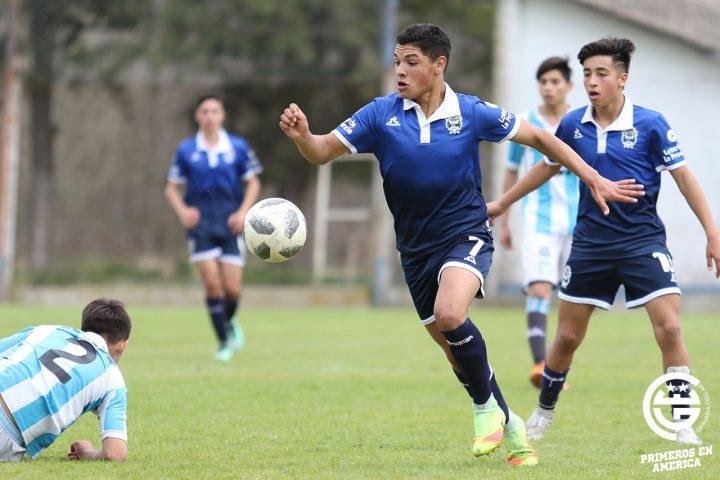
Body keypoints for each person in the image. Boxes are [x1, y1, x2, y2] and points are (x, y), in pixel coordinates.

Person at [279, 24, 643, 467]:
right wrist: (302, 136)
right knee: (455, 352)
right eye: (397, 61)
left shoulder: (472, 112)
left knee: (453, 314)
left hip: (466, 233)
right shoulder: (379, 115)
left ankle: (481, 408)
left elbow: (545, 139)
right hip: (414, 250)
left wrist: (594, 178)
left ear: (439, 65)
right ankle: (510, 427)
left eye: (412, 62)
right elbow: (321, 151)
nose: (400, 70)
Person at [487, 38, 720, 445]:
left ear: (622, 79)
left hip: (642, 243)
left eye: (601, 74)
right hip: (591, 245)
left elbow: (685, 180)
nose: (592, 82)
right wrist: (503, 203)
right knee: (566, 338)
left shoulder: (651, 124)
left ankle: (682, 422)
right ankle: (543, 413)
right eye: (587, 75)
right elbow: (545, 168)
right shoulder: (573, 124)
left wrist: (712, 233)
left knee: (668, 328)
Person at [165, 94, 263, 362]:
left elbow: (253, 182)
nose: (210, 116)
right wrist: (183, 211)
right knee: (212, 285)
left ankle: (228, 323)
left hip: (230, 224)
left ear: (223, 116)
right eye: (205, 111)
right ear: (198, 116)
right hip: (201, 226)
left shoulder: (238, 147)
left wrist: (243, 213)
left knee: (232, 290)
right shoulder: (186, 150)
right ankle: (223, 343)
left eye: (215, 111)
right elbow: (171, 188)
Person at [499, 57, 578, 388]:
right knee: (540, 287)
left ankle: (559, 367)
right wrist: (504, 220)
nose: (548, 87)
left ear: (568, 86)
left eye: (555, 81)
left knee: (574, 298)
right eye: (543, 81)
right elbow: (511, 169)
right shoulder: (526, 124)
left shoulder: (581, 123)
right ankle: (540, 365)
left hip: (578, 222)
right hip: (537, 219)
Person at [0, 298, 131, 462]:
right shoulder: (113, 380)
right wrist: (88, 453)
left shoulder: (46, 330)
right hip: (5, 432)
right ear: (122, 345)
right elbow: (115, 454)